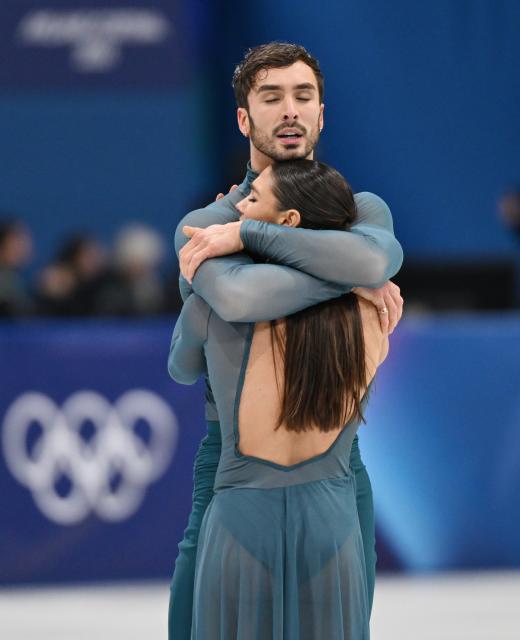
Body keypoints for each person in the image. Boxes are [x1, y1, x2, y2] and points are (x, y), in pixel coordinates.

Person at [169, 42, 404, 638]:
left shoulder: (361, 210)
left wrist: (247, 235)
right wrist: (350, 281)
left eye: (303, 96)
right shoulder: (202, 225)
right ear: (245, 119)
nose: (290, 110)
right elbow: (244, 299)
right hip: (229, 473)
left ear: (322, 114)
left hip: (339, 474)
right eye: (271, 98)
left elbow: (378, 257)